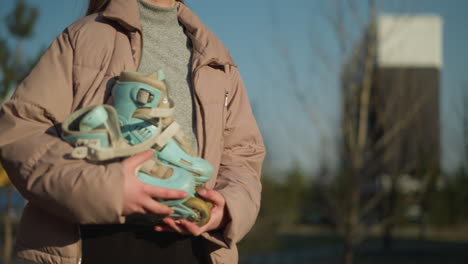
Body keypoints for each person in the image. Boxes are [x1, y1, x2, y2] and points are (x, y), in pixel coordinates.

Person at [0, 0, 265, 263]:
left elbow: (242, 154)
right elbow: (21, 131)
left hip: (196, 247)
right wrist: (107, 188)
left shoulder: (217, 57)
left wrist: (228, 208)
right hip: (93, 242)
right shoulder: (83, 37)